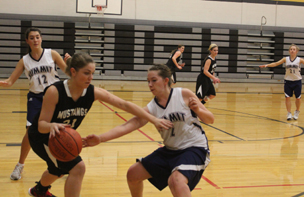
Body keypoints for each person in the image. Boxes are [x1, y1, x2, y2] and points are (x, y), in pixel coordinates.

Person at [27, 53, 172, 197]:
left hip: (61, 137)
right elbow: (41, 124)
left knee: (57, 170)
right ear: (73, 72)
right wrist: (52, 125)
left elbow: (124, 104)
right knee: (77, 168)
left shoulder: (92, 92)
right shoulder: (55, 91)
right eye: (86, 73)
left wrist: (153, 119)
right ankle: (39, 190)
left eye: (92, 73)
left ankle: (38, 191)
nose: (91, 77)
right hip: (42, 137)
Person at [83, 64, 214, 197]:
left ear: (166, 81)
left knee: (175, 181)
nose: (150, 84)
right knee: (133, 174)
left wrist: (198, 109)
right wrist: (100, 138)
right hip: (171, 151)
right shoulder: (152, 107)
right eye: (148, 81)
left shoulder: (183, 94)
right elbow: (126, 126)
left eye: (154, 80)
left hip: (194, 148)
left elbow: (210, 119)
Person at [0, 27, 70, 180]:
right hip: (36, 98)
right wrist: (3, 83)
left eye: (37, 37)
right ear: (27, 41)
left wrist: (70, 62)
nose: (35, 40)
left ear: (41, 38)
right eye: (31, 38)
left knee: (61, 131)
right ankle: (20, 165)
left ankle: (65, 163)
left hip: (56, 95)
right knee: (30, 132)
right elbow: (10, 81)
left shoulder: (52, 54)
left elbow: (70, 73)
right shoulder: (24, 61)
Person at [259, 44, 304, 120]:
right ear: (289, 51)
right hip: (288, 81)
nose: (292, 50)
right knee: (287, 97)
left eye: (294, 49)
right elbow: (276, 63)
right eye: (291, 49)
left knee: (298, 98)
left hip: (297, 81)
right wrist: (266, 65)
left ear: (297, 51)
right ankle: (289, 113)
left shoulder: (300, 60)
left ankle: (297, 111)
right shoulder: (285, 59)